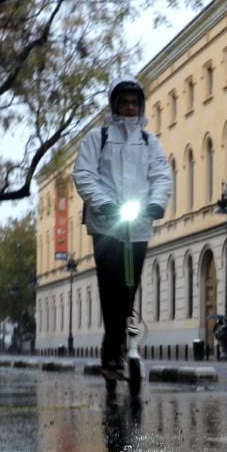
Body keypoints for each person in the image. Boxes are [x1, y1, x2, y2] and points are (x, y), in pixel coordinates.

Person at [73, 76, 173, 377]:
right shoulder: (97, 138)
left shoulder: (148, 142)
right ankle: (111, 347)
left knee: (130, 287)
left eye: (134, 102)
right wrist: (103, 202)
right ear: (115, 105)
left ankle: (122, 343)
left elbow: (161, 176)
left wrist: (156, 203)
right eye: (124, 102)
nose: (129, 107)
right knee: (111, 287)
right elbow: (84, 174)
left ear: (140, 106)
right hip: (106, 224)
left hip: (138, 224)